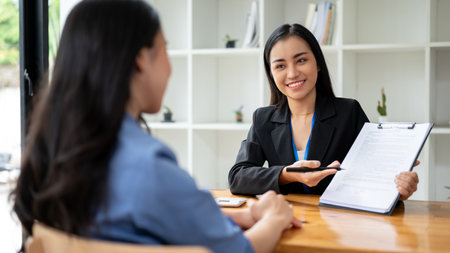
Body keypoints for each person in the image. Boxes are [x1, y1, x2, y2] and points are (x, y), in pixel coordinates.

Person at [10, 2, 302, 253]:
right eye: (164, 49)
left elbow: (141, 217)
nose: (170, 66)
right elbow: (240, 250)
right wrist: (275, 216)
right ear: (139, 60)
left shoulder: (56, 151)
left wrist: (241, 215)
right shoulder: (147, 164)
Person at [228, 23, 419, 200]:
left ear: (318, 63)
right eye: (280, 66)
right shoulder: (263, 119)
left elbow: (378, 175)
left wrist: (400, 189)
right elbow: (238, 177)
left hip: (340, 225)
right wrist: (288, 174)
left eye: (301, 60)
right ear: (271, 73)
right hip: (286, 223)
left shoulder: (349, 112)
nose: (292, 73)